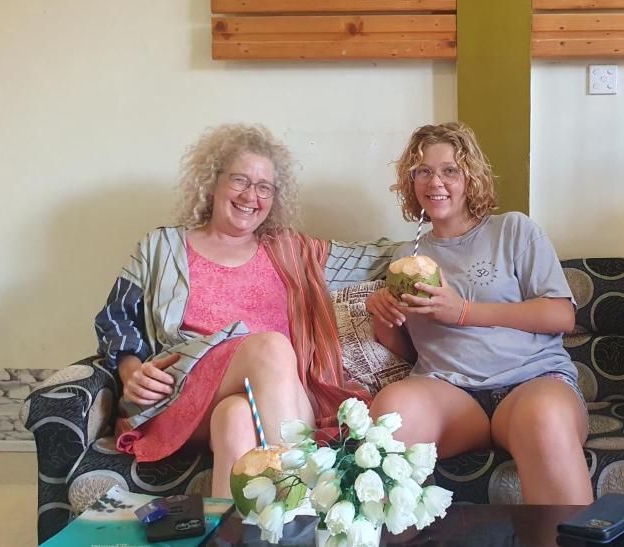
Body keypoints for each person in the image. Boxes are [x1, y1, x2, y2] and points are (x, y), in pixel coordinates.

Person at [94, 123, 395, 497]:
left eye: (264, 187)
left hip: (270, 400)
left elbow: (380, 258)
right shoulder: (162, 247)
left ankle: (232, 525)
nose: (251, 195)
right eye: (240, 180)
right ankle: (304, 495)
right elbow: (116, 317)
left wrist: (445, 237)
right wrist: (130, 370)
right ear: (212, 183)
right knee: (269, 346)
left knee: (235, 418)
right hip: (181, 391)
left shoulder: (291, 251)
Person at [365, 122, 593, 504]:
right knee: (392, 412)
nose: (435, 182)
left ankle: (565, 532)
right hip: (449, 393)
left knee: (546, 419)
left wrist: (463, 312)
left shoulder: (514, 230)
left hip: (531, 382)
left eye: (449, 170)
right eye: (423, 171)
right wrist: (381, 313)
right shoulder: (408, 256)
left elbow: (560, 316)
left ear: (471, 177)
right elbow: (408, 349)